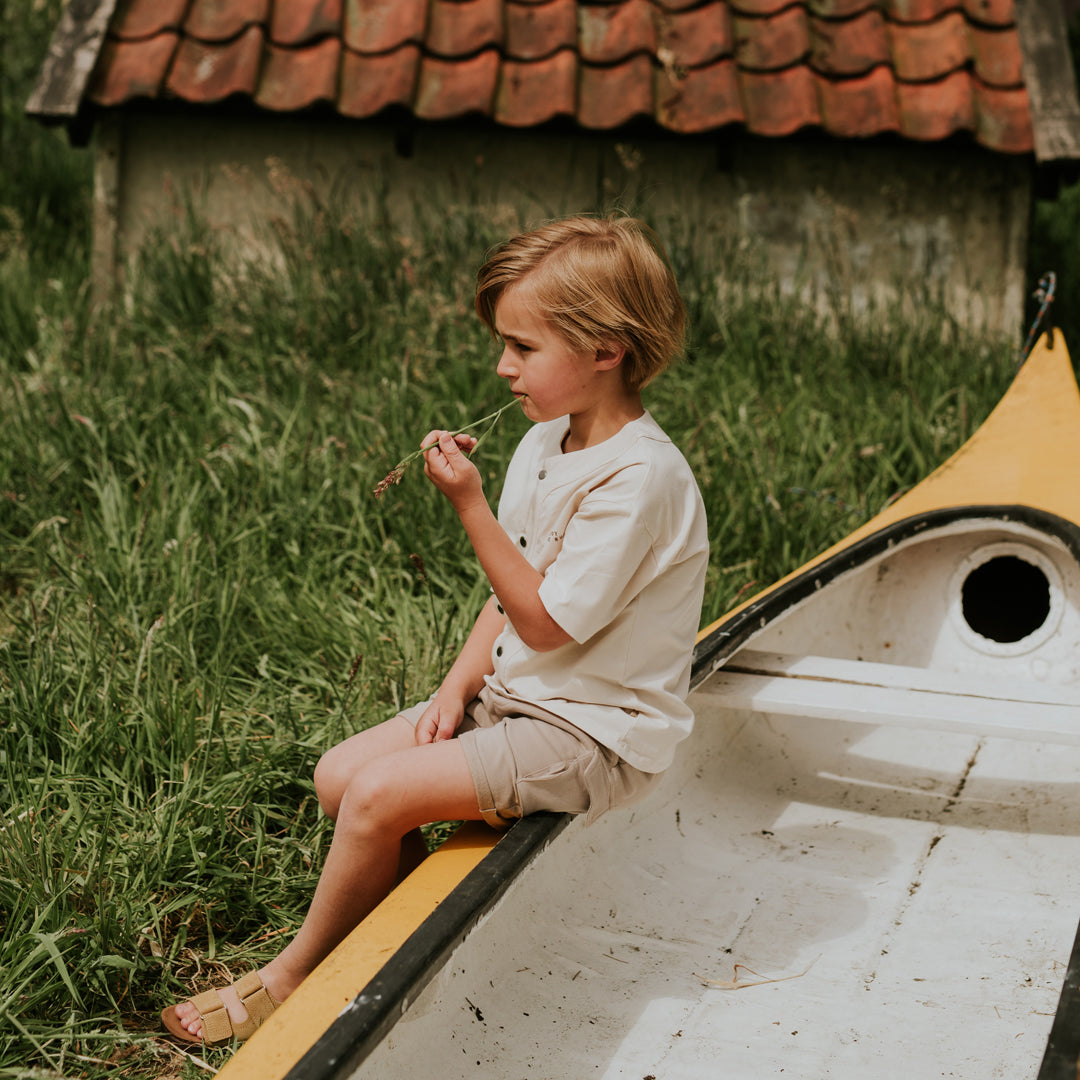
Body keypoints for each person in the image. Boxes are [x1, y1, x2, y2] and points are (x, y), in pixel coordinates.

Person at [162, 215, 709, 1046]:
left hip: (593, 731)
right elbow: (510, 586)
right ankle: (404, 930)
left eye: (523, 348)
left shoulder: (640, 479)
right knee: (340, 776)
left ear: (606, 350)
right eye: (504, 344)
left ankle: (296, 974)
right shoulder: (542, 443)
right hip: (519, 696)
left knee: (381, 798)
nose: (502, 367)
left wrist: (469, 507)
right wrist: (459, 685)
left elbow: (548, 622)